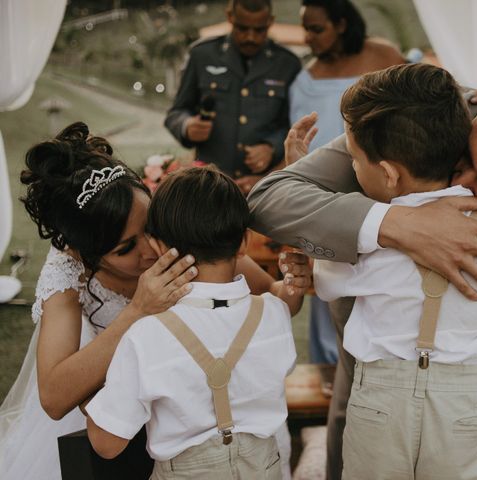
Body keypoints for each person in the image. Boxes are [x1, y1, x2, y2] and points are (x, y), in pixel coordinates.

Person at [248, 70, 477, 478]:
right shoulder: (420, 113)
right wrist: (399, 224)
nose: (462, 186)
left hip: (467, 378)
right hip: (364, 364)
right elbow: (270, 198)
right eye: (464, 156)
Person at [0, 122, 311, 480]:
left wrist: (291, 289)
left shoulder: (183, 233)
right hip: (119, 434)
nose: (151, 250)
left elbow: (272, 300)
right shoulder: (67, 276)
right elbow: (54, 399)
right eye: (126, 248)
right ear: (82, 255)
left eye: (150, 226)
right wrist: (137, 312)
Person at [86, 166, 297, 479]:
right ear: (243, 243)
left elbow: (107, 444)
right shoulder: (274, 313)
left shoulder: (146, 335)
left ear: (158, 247)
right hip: (265, 466)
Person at [289, 0, 405, 365]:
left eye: (317, 28)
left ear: (341, 24)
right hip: (327, 184)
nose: (308, 38)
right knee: (329, 272)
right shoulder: (305, 77)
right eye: (305, 28)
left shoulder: (384, 54)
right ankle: (331, 363)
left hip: (383, 180)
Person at [164, 0, 301, 194]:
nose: (250, 37)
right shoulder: (202, 55)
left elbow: (294, 125)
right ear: (230, 17)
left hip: (262, 188)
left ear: (270, 21)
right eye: (242, 28)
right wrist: (187, 126)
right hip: (209, 188)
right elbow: (176, 113)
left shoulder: (288, 64)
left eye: (259, 30)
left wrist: (272, 147)